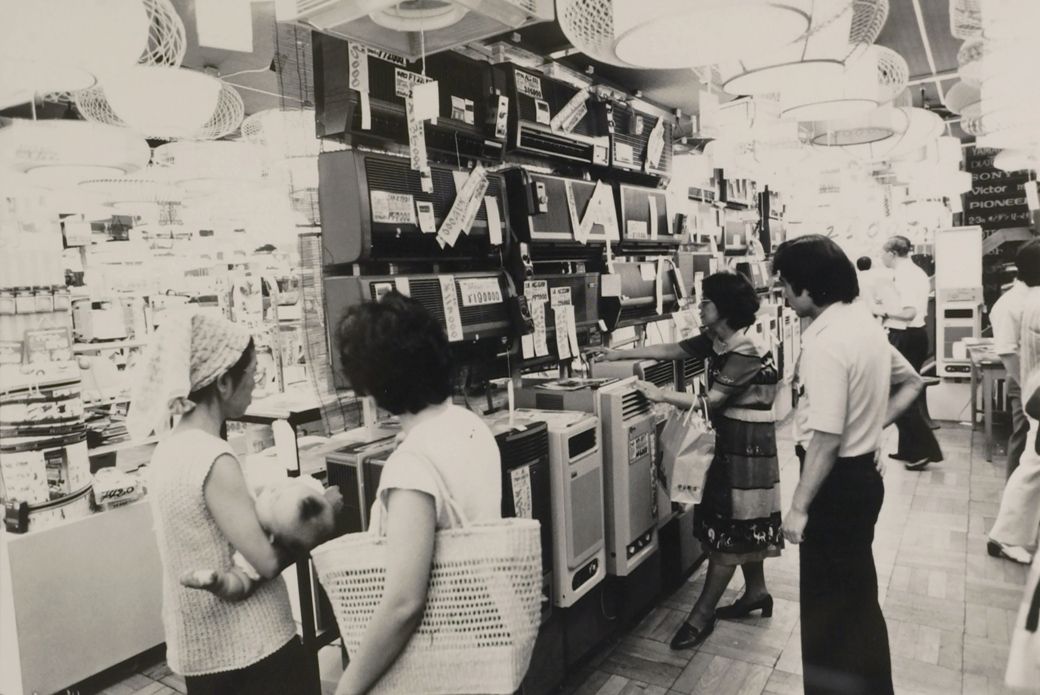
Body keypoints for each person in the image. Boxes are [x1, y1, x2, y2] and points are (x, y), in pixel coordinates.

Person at [127, 311, 321, 695]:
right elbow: (264, 560)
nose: (255, 384)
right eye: (252, 373)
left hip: (202, 651)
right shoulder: (213, 459)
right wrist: (315, 519)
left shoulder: (167, 451)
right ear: (224, 382)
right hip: (254, 646)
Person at [590, 271, 783, 651]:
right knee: (740, 519)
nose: (700, 307)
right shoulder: (720, 339)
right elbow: (673, 350)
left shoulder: (744, 349)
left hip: (748, 448)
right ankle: (756, 592)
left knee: (733, 524)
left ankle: (701, 615)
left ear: (724, 308)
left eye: (706, 301)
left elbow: (712, 401)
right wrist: (617, 354)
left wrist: (658, 394)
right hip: (735, 440)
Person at [773, 235, 923, 695]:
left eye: (784, 284)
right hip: (861, 482)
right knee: (856, 601)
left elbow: (826, 437)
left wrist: (799, 506)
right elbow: (912, 383)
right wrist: (873, 428)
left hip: (833, 487)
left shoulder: (826, 342)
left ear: (806, 287)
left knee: (826, 609)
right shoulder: (862, 324)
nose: (781, 293)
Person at [332, 292, 502, 695]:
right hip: (478, 644)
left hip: (435, 665)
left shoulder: (411, 466)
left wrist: (347, 687)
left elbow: (403, 604)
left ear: (376, 383)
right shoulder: (470, 424)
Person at [182, 477, 344, 600]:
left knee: (239, 581)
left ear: (271, 535)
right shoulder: (298, 497)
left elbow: (241, 584)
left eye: (274, 497)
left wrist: (220, 584)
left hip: (226, 571)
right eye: (290, 485)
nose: (275, 487)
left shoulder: (262, 546)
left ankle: (214, 582)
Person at [988, 240, 1040, 565]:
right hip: (1033, 391)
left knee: (1031, 461)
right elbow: (1009, 352)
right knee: (1030, 461)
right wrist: (1025, 390)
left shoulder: (1030, 300)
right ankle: (1006, 535)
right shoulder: (1024, 302)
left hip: (1033, 390)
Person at [879, 235, 943, 470]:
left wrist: (882, 310)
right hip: (915, 335)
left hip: (906, 335)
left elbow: (907, 313)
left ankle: (925, 450)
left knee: (899, 393)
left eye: (883, 252)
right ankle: (908, 449)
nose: (881, 256)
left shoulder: (905, 276)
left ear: (893, 253)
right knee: (906, 390)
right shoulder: (916, 272)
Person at [855, 256, 886, 320]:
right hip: (875, 311)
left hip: (859, 311)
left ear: (857, 267)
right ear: (871, 265)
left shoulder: (854, 279)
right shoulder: (877, 278)